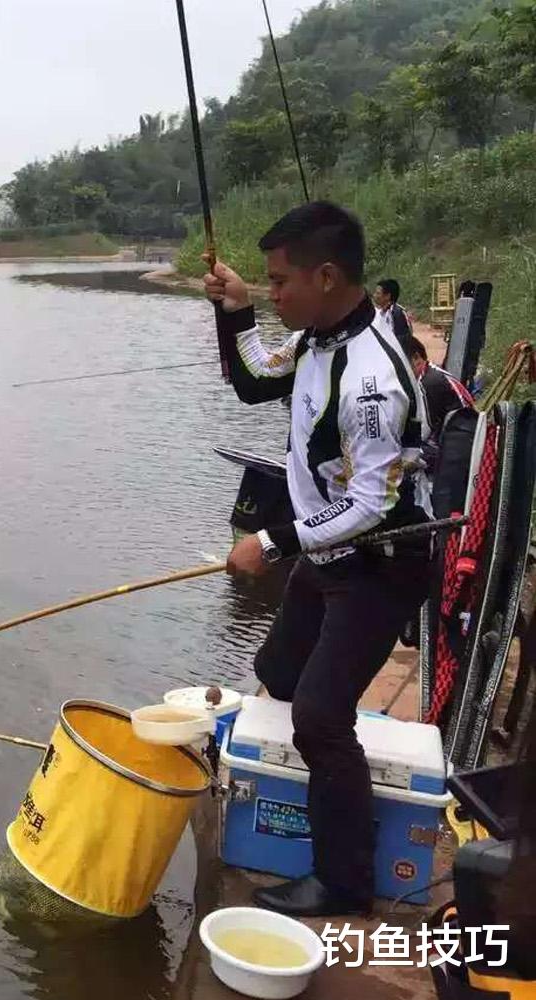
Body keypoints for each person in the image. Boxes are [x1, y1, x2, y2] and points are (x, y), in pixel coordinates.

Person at [205, 202, 433, 917]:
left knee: (321, 715)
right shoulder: (315, 341)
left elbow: (374, 506)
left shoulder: (372, 381)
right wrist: (235, 311)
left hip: (381, 563)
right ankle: (291, 792)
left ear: (327, 276)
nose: (274, 294)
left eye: (279, 283)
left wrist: (270, 542)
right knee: (276, 670)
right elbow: (251, 380)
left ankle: (345, 882)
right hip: (332, 552)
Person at [404, 335, 473, 475]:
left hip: (459, 451)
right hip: (464, 440)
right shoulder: (433, 372)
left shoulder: (428, 383)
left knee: (402, 456)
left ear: (416, 358)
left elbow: (422, 432)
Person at [372, 278, 414, 351]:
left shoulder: (398, 314)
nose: (374, 295)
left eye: (378, 293)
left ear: (387, 296)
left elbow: (403, 340)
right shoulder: (380, 312)